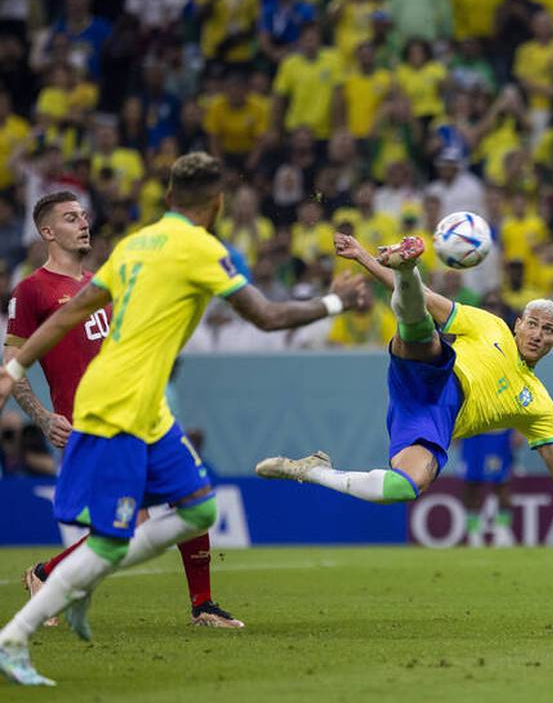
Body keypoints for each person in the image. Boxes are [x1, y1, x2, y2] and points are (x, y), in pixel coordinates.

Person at [0, 152, 368, 686]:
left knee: (198, 508)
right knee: (119, 537)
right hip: (114, 409)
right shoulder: (201, 248)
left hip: (145, 405)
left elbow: (76, 312)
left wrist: (13, 370)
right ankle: (22, 627)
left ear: (169, 198)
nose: (83, 224)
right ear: (216, 202)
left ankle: (151, 596)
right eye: (71, 217)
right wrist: (335, 302)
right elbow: (266, 316)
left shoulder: (131, 246)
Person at [257, 232, 553, 563]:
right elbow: (425, 298)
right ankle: (408, 265)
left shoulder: (540, 405)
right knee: (422, 331)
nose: (536, 334)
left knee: (404, 488)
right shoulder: (489, 326)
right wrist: (363, 257)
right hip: (437, 377)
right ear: (518, 323)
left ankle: (310, 470)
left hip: (430, 421)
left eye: (547, 330)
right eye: (531, 324)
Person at [10, 191, 243, 629]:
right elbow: (13, 364)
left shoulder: (103, 283)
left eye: (83, 215)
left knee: (191, 495)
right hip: (89, 424)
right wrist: (41, 416)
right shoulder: (32, 290)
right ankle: (46, 574)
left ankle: (204, 606)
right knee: (129, 528)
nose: (83, 223)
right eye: (69, 217)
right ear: (47, 232)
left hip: (139, 413)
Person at [459, 429, 518, 547]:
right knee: (471, 485)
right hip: (472, 431)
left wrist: (518, 429)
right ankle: (474, 533)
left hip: (499, 430)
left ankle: (502, 531)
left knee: (502, 483)